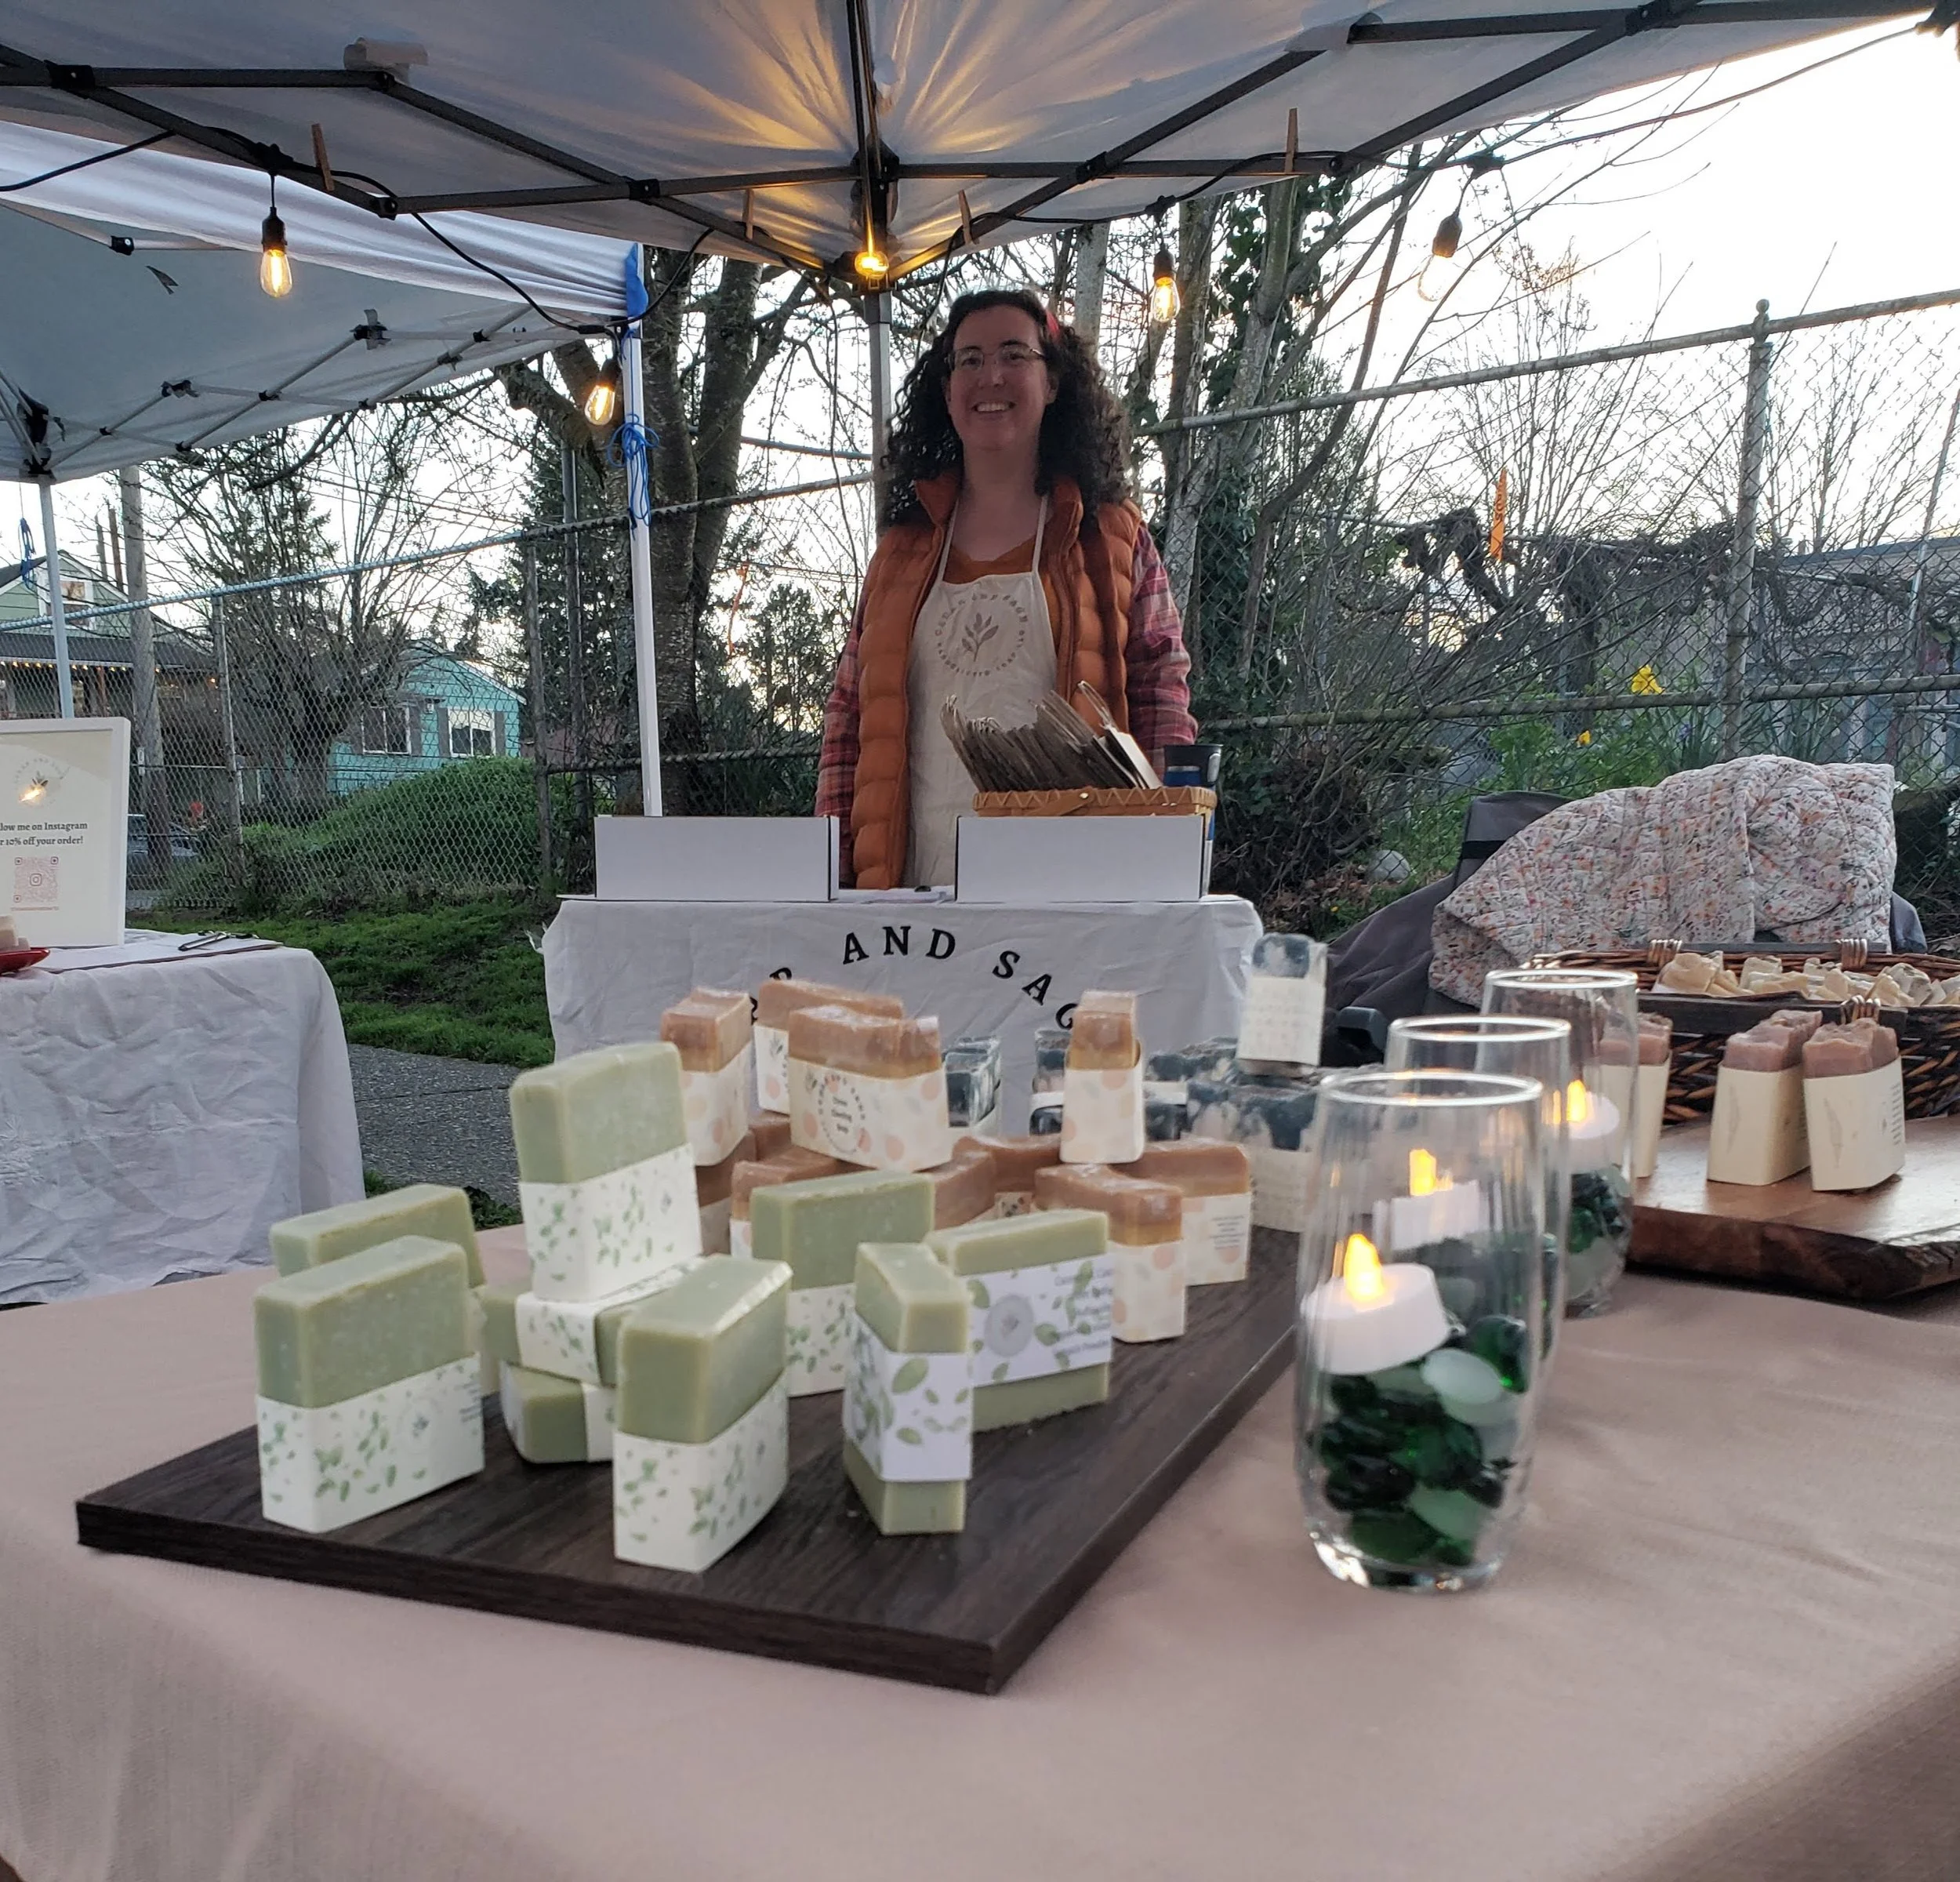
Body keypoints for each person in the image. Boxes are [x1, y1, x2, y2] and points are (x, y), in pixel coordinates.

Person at [815, 287, 1197, 888]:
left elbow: (1160, 695)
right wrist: (830, 882)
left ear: (1053, 383)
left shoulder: (1113, 538)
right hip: (907, 898)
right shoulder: (898, 554)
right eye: (969, 360)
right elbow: (848, 722)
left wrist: (1165, 858)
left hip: (1071, 893)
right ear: (946, 391)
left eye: (1014, 354)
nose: (989, 375)